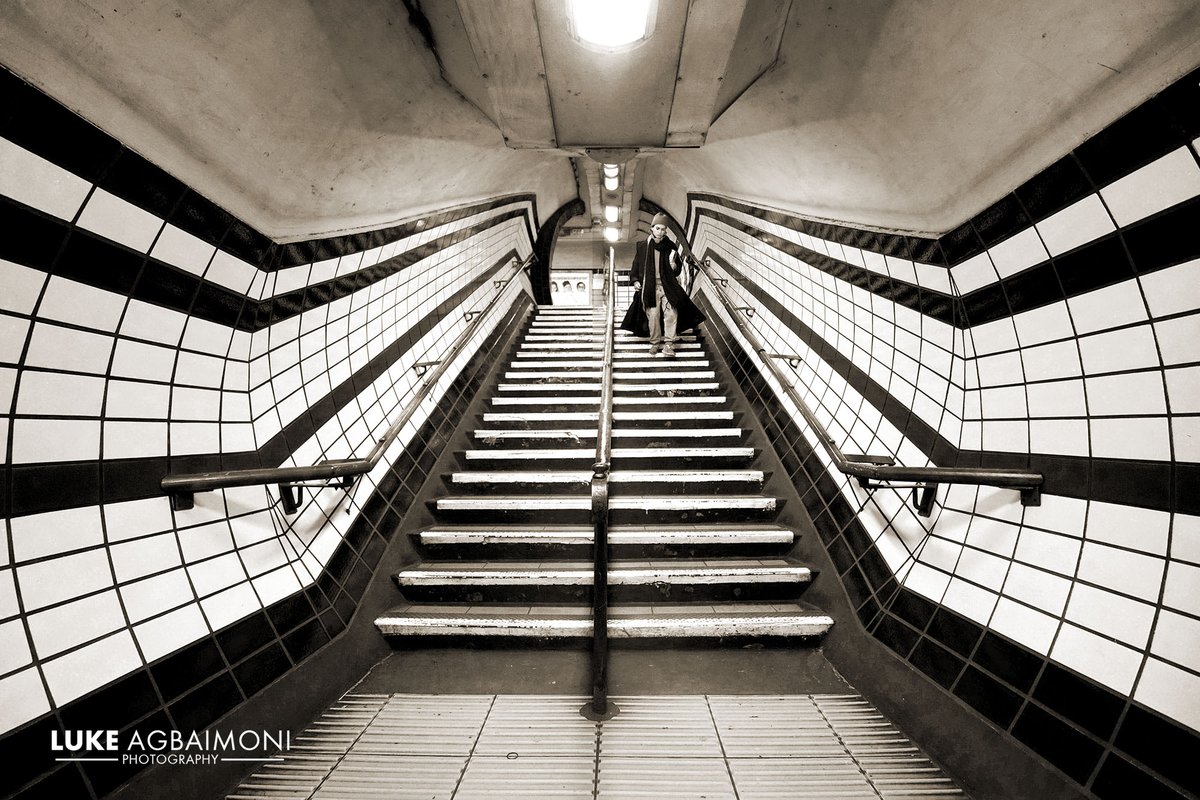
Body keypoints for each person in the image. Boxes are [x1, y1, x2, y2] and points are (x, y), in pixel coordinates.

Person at [622, 212, 704, 356]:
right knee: (653, 316)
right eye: (658, 228)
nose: (661, 232)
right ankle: (655, 343)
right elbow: (636, 266)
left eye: (663, 229)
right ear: (652, 228)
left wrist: (674, 266)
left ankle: (668, 345)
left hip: (668, 287)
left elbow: (677, 270)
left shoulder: (671, 246)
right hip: (650, 288)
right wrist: (635, 280)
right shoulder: (642, 246)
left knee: (671, 314)